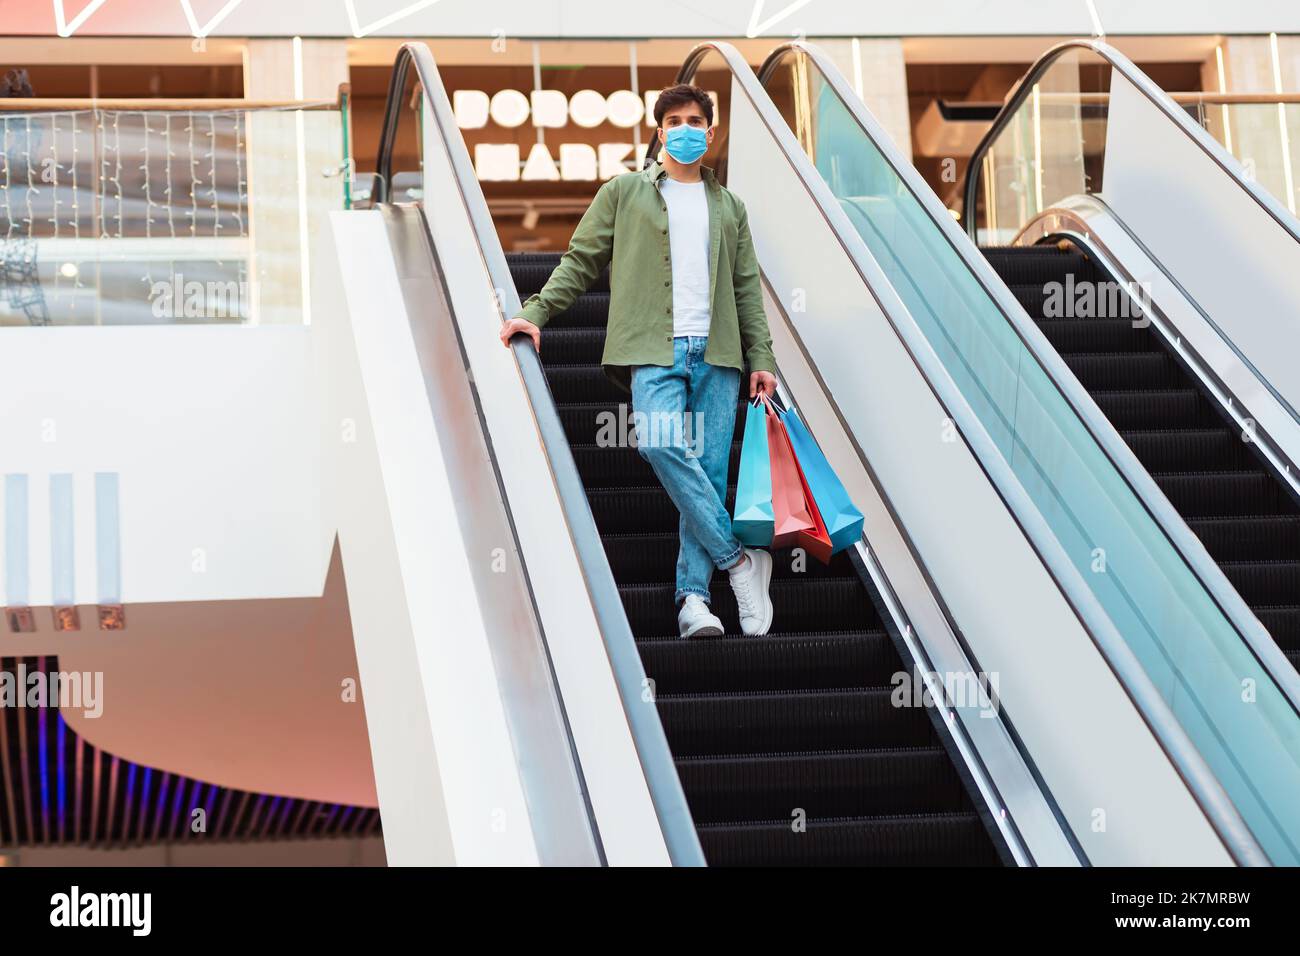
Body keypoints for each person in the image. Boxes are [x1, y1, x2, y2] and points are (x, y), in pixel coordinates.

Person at [499, 83, 777, 639]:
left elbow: (746, 285)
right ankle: (741, 562)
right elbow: (581, 260)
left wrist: (760, 356)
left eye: (695, 120)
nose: (685, 129)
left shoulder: (730, 207)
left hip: (719, 354)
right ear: (658, 131)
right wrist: (537, 311)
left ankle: (694, 601)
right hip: (654, 348)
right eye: (674, 120)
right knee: (657, 441)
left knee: (708, 472)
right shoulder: (624, 192)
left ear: (711, 131)